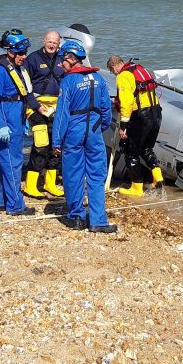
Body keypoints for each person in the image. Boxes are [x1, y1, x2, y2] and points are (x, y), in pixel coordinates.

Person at [51, 40, 116, 233]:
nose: (61, 64)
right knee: (97, 176)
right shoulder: (98, 78)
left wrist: (56, 141)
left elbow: (62, 114)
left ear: (72, 59)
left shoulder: (68, 81)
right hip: (94, 131)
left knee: (73, 175)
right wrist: (100, 127)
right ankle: (98, 220)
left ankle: (77, 217)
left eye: (63, 60)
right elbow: (106, 109)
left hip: (74, 132)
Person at [0, 30, 36, 217]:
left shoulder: (16, 67)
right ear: (11, 52)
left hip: (16, 116)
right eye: (21, 53)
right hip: (7, 119)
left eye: (25, 53)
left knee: (7, 162)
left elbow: (25, 94)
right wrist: (0, 125)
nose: (24, 57)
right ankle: (15, 205)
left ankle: (3, 201)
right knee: (12, 162)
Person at [107, 54, 164, 198]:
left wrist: (124, 125)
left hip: (141, 116)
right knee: (146, 148)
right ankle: (158, 178)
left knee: (130, 150)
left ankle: (136, 187)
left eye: (112, 71)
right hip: (156, 113)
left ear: (114, 66)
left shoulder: (123, 76)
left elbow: (126, 102)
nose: (114, 74)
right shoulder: (139, 69)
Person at [22, 30, 65, 199]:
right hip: (37, 106)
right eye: (49, 41)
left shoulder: (63, 59)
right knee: (40, 144)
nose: (52, 44)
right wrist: (36, 106)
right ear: (44, 41)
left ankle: (50, 183)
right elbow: (25, 87)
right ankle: (31, 185)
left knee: (56, 145)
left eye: (55, 42)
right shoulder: (32, 59)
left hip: (56, 107)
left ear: (59, 43)